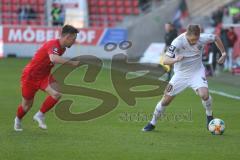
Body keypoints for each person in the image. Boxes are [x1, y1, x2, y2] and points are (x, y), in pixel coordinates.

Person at [142, 24, 227, 132]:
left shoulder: (202, 38)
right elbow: (165, 60)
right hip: (180, 75)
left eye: (196, 40)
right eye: (191, 40)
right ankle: (152, 123)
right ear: (187, 35)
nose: (194, 42)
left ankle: (209, 116)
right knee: (165, 101)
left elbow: (216, 37)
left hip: (196, 72)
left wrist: (223, 53)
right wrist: (175, 59)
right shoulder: (178, 42)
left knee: (204, 95)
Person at [14, 25, 79, 131]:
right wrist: (72, 63)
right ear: (67, 37)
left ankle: (40, 115)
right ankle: (17, 119)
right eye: (73, 39)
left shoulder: (62, 48)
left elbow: (50, 61)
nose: (74, 41)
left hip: (44, 76)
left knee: (57, 94)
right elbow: (53, 58)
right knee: (26, 106)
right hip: (30, 77)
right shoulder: (53, 44)